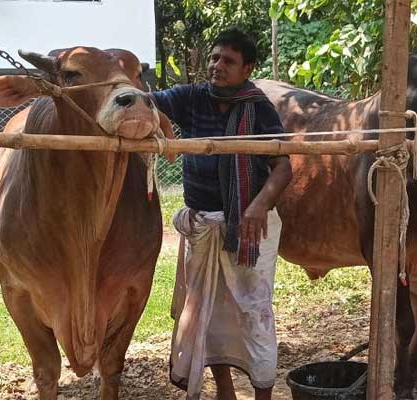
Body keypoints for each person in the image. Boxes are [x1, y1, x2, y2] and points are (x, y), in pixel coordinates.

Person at [150, 27, 292, 400]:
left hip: (249, 230)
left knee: (254, 316)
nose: (217, 66)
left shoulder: (259, 108)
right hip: (202, 226)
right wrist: (159, 123)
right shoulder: (192, 98)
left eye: (227, 60)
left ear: (247, 68)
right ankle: (224, 392)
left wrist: (258, 204)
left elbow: (283, 166)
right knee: (208, 314)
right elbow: (144, 102)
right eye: (214, 58)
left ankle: (263, 394)